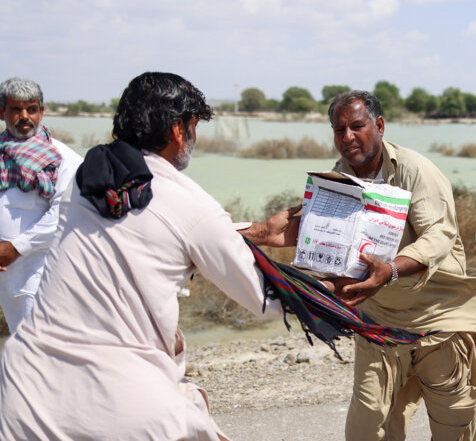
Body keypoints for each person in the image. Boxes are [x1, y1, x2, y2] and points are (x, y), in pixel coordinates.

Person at [0, 72, 300, 440]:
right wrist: (333, 286)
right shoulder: (189, 204)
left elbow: (147, 232)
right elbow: (267, 301)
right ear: (178, 130)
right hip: (118, 403)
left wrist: (257, 232)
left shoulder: (87, 179)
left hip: (21, 391)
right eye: (193, 127)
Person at [325, 90, 476, 441]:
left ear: (379, 125)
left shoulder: (414, 170)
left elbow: (438, 235)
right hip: (379, 327)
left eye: (357, 126)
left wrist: (391, 270)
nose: (347, 137)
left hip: (437, 324)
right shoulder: (338, 177)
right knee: (366, 428)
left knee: (454, 426)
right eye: (339, 129)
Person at [0, 77, 82, 332]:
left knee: (37, 343)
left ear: (41, 112)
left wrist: (16, 247)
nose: (24, 116)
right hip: (5, 274)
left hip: (40, 271)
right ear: (1, 112)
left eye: (31, 109)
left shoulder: (63, 158)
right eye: (16, 109)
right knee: (17, 340)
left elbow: (65, 212)